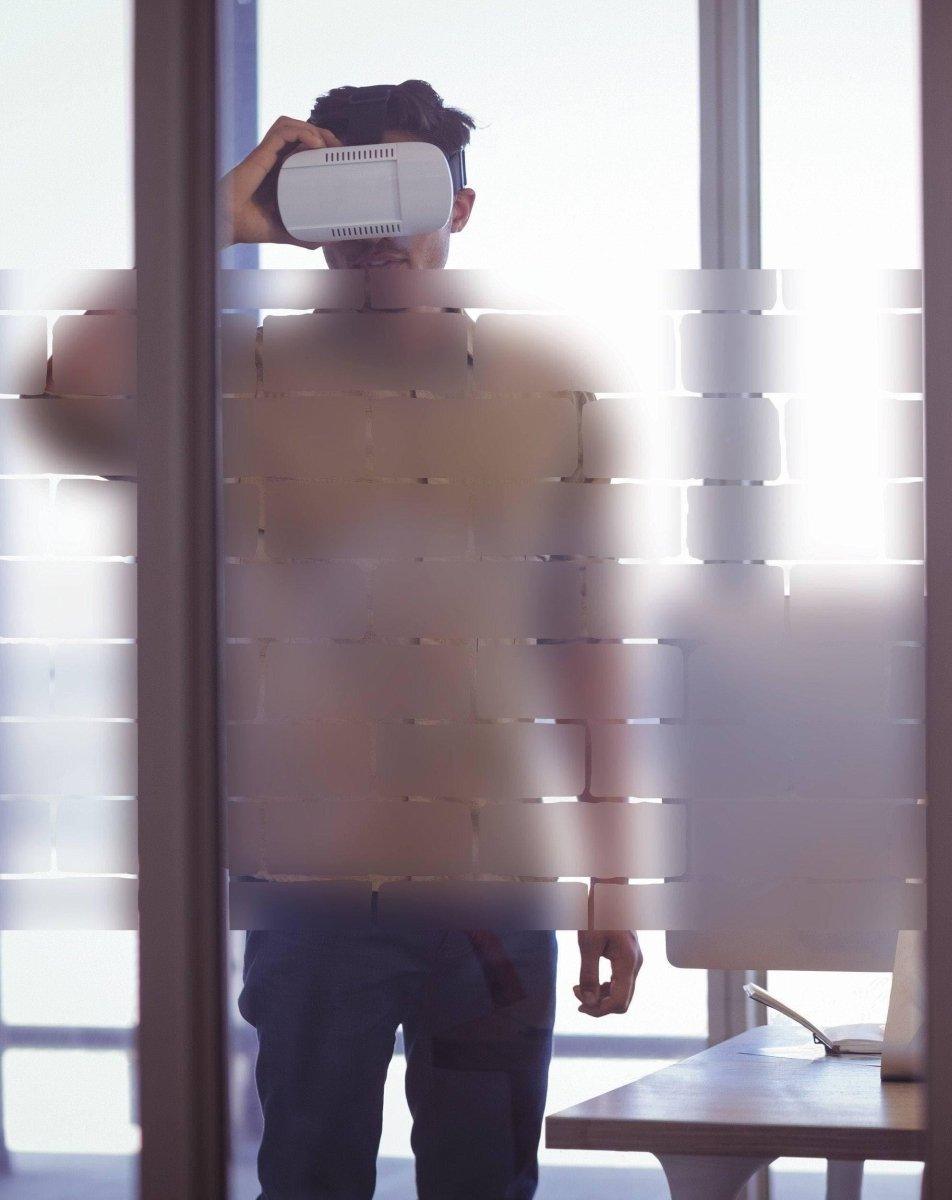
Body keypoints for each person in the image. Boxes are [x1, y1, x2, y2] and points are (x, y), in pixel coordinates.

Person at [219, 80, 643, 1199]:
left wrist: (614, 878)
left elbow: (585, 644)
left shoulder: (541, 395)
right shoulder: (245, 383)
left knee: (484, 1183)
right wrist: (219, 221)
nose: (372, 231)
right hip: (310, 878)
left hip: (486, 877)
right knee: (308, 1178)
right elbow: (68, 391)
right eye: (340, 198)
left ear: (458, 210)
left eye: (401, 194)